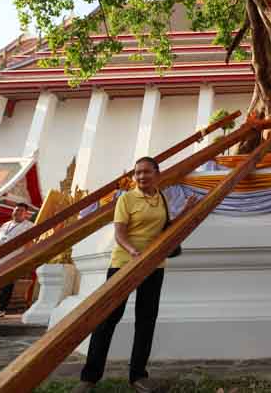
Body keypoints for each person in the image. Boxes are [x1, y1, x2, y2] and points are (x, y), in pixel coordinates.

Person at [74, 156, 195, 393]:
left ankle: (138, 375)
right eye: (137, 172)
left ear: (157, 174)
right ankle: (89, 378)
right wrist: (133, 251)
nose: (141, 176)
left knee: (146, 320)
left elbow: (166, 230)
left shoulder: (162, 199)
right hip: (124, 264)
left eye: (147, 172)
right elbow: (119, 233)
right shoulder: (126, 199)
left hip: (153, 265)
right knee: (107, 319)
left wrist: (185, 212)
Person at [0, 203, 35, 319]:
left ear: (25, 214)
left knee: (6, 283)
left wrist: (24, 259)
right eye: (16, 210)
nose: (17, 212)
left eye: (20, 211)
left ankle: (1, 309)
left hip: (12, 258)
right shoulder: (5, 225)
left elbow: (29, 243)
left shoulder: (29, 226)